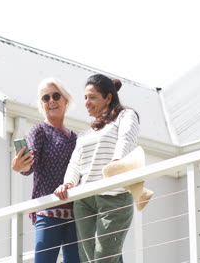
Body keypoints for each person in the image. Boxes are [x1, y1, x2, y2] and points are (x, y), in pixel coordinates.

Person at [54, 74, 140, 263]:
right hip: (84, 199)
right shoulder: (86, 133)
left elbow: (126, 139)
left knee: (103, 258)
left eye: (92, 97)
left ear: (108, 98)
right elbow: (75, 163)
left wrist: (117, 162)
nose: (86, 102)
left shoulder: (125, 116)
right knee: (87, 259)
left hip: (114, 196)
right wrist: (68, 183)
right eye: (85, 98)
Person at [12, 78, 79, 263]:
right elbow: (29, 164)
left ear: (65, 100)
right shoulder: (39, 131)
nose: (51, 101)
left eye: (56, 96)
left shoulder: (75, 138)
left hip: (75, 213)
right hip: (48, 210)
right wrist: (21, 166)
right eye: (45, 98)